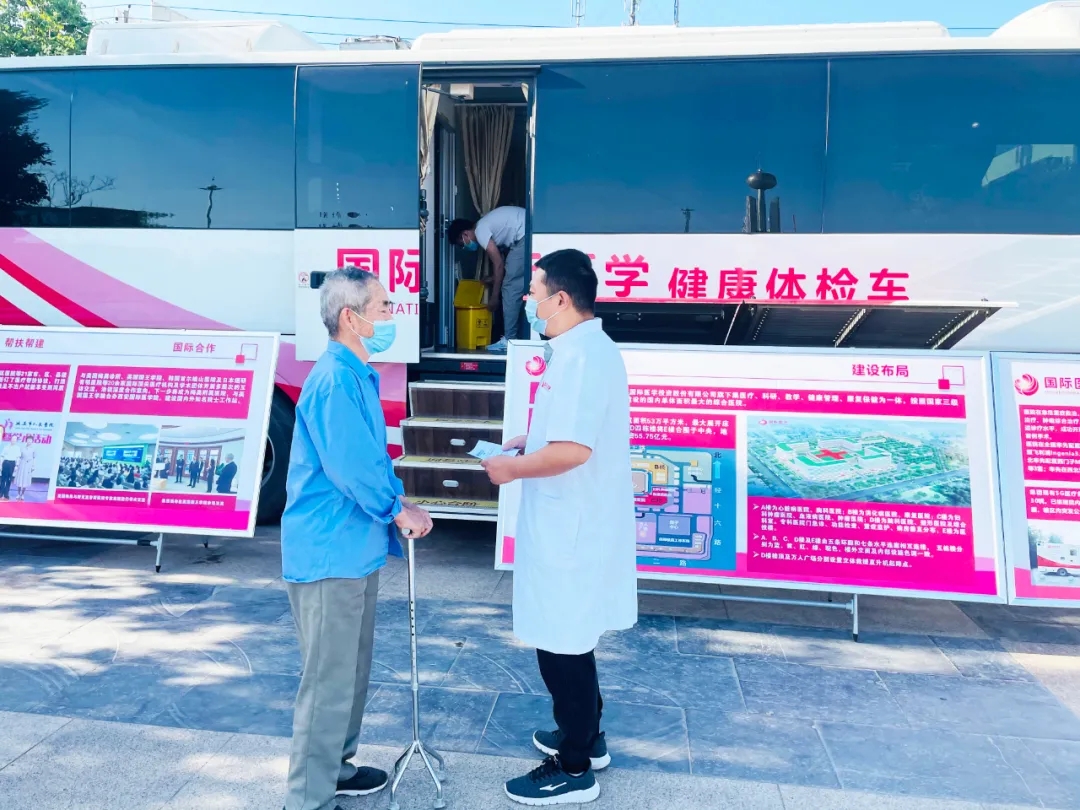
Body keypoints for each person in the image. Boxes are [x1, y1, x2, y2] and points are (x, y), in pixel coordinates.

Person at [481, 249, 638, 807]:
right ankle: (586, 737)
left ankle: (573, 768)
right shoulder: (580, 348)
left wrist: (512, 468)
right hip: (571, 518)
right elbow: (571, 431)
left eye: (536, 290)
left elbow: (573, 450)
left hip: (571, 525)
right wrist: (533, 441)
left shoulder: (581, 358)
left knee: (561, 643)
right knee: (571, 634)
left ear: (562, 298)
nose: (528, 299)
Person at [280, 266, 434, 810]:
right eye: (384, 307)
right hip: (329, 551)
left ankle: (337, 769)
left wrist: (400, 502)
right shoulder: (335, 380)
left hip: (354, 548)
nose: (392, 315)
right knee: (328, 680)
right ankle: (308, 798)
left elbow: (371, 459)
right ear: (351, 317)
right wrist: (395, 509)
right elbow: (350, 466)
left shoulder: (356, 374)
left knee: (351, 671)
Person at [448, 205, 526, 353]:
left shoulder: (480, 231)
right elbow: (503, 266)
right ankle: (516, 336)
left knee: (510, 287)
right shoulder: (485, 224)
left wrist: (494, 297)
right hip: (527, 231)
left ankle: (509, 340)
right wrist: (493, 279)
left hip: (524, 236)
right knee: (515, 283)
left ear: (465, 234)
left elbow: (499, 264)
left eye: (462, 244)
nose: (465, 247)